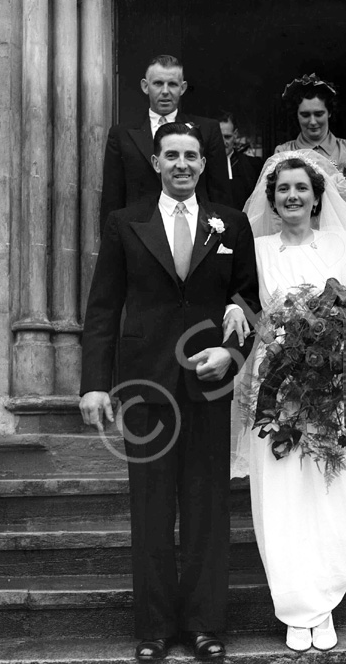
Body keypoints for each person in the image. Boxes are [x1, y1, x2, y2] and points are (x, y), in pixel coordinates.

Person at [80, 122, 259, 661]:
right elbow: (104, 308)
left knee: (207, 508)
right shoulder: (125, 223)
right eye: (172, 155)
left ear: (205, 164)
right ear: (156, 162)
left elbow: (250, 299)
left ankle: (205, 625)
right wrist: (95, 385)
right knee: (151, 509)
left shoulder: (231, 222)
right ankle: (154, 629)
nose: (182, 164)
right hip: (143, 387)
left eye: (192, 156)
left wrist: (232, 354)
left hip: (207, 384)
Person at [231, 151, 346, 653]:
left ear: (317, 198)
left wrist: (337, 340)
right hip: (278, 390)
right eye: (283, 189)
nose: (292, 196)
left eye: (301, 188)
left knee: (335, 487)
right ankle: (297, 605)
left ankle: (327, 595)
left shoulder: (339, 243)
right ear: (270, 199)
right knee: (284, 492)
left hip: (339, 386)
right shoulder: (257, 248)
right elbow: (248, 309)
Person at [99, 54, 232, 233]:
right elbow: (112, 198)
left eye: (173, 84)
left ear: (183, 88)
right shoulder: (121, 134)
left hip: (195, 232)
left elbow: (220, 194)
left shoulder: (208, 130)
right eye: (158, 83)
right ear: (145, 86)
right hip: (138, 234)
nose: (165, 91)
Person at [274, 74, 346, 191]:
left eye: (319, 114)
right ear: (296, 115)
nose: (313, 122)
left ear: (329, 112)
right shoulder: (283, 152)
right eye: (305, 115)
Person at [218, 111, 263, 210]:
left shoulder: (253, 166)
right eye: (218, 137)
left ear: (235, 134)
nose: (222, 142)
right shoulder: (203, 167)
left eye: (227, 137)